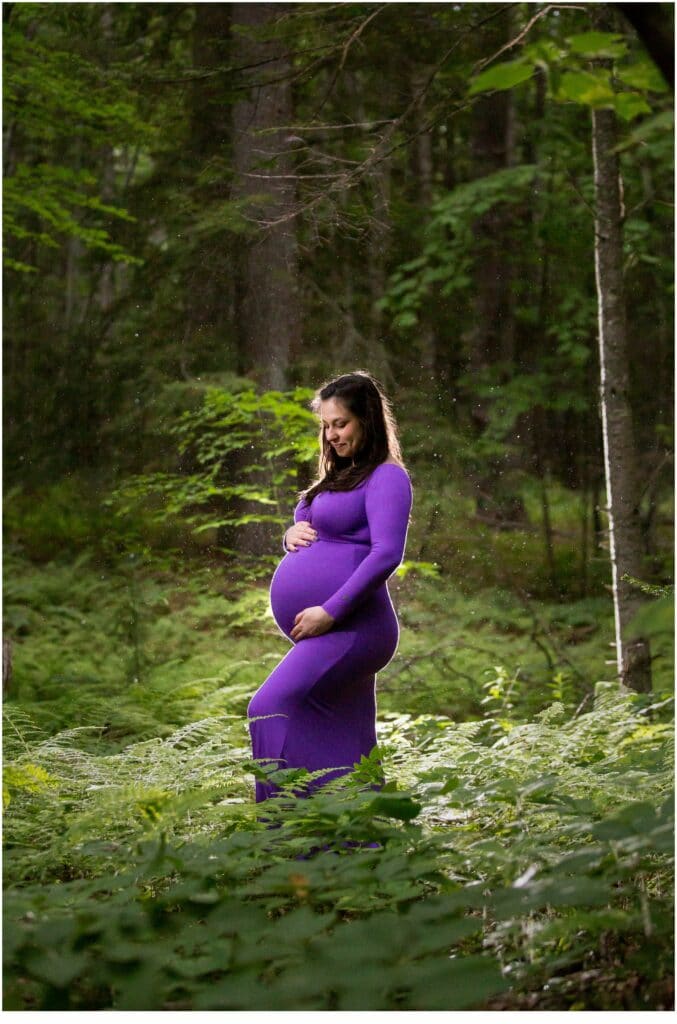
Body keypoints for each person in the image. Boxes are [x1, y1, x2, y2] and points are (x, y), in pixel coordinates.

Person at [247, 370, 414, 804]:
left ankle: (281, 831)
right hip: (335, 626)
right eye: (326, 424)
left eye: (340, 423)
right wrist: (289, 536)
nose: (331, 434)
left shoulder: (386, 477)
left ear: (368, 420)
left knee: (268, 706)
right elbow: (308, 523)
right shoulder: (338, 475)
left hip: (355, 628)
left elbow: (386, 554)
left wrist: (330, 611)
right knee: (345, 737)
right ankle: (358, 838)